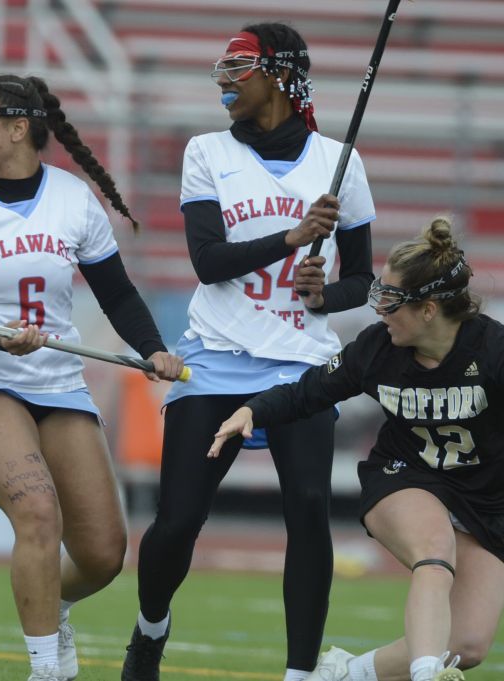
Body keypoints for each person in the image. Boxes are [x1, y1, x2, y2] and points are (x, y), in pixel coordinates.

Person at [209, 217, 504, 681]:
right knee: (434, 549)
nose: (379, 309)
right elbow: (309, 391)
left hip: (486, 499)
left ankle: (344, 674)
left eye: (392, 300)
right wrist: (253, 411)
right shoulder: (376, 348)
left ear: (428, 310)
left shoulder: (498, 346)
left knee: (466, 645)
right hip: (403, 478)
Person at [121, 22, 376, 681]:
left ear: (282, 77)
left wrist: (325, 296)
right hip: (217, 355)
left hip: (300, 362)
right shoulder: (207, 152)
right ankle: (150, 629)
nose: (225, 83)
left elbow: (364, 281)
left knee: (310, 509)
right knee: (176, 520)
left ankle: (299, 672)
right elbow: (208, 262)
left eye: (240, 70)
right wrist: (293, 238)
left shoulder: (339, 162)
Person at [0, 73, 185, 681]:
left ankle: (52, 604)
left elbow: (117, 293)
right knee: (37, 514)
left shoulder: (72, 198)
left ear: (19, 126)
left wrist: (153, 350)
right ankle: (47, 671)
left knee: (102, 554)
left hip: (56, 382)